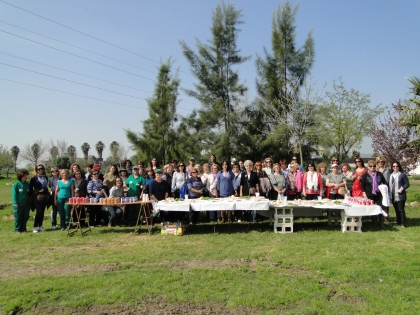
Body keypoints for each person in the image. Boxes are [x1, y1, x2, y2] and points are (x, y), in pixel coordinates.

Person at [361, 160, 387, 224]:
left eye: (374, 166)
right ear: (368, 167)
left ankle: (381, 221)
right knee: (372, 208)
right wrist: (364, 193)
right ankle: (374, 221)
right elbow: (362, 186)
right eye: (370, 166)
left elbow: (385, 183)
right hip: (369, 194)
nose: (372, 167)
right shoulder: (365, 175)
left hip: (378, 194)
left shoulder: (379, 174)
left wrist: (383, 187)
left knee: (380, 207)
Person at [29, 164, 51, 233]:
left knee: (42, 212)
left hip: (45, 196)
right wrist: (35, 193)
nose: (40, 170)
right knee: (39, 211)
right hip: (37, 196)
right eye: (38, 169)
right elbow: (30, 189)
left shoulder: (46, 178)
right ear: (36, 170)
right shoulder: (33, 179)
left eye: (41, 168)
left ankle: (40, 225)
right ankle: (35, 226)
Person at [389, 161, 410, 228]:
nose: (395, 167)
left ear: (399, 167)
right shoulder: (391, 175)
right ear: (392, 167)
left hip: (400, 195)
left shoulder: (402, 174)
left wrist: (402, 188)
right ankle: (398, 222)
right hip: (393, 195)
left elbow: (407, 184)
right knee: (396, 209)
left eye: (397, 166)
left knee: (401, 209)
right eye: (394, 166)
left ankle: (403, 223)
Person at [12, 169, 30, 234]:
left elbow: (30, 194)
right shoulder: (16, 184)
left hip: (26, 204)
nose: (26, 177)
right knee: (18, 218)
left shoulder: (27, 184)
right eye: (25, 175)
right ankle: (17, 229)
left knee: (26, 217)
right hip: (18, 205)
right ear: (21, 176)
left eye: (26, 175)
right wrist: (15, 203)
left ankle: (23, 228)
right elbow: (14, 195)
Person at [376, 156, 391, 223]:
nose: (380, 163)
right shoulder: (375, 170)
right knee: (379, 203)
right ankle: (379, 218)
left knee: (386, 203)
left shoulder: (387, 170)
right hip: (378, 188)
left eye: (382, 162)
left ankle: (386, 217)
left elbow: (389, 180)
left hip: (385, 188)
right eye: (379, 162)